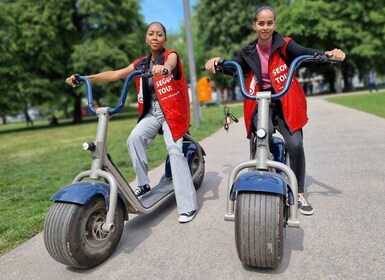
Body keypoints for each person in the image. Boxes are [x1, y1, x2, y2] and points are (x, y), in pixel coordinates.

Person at [205, 6, 346, 215]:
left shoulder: (285, 45)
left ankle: (298, 192)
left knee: (295, 144)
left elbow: (306, 54)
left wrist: (328, 55)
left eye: (269, 23)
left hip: (284, 101)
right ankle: (263, 172)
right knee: (265, 133)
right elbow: (234, 65)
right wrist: (216, 63)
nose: (265, 27)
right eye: (261, 23)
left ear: (275, 24)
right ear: (254, 25)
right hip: (259, 102)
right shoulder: (248, 52)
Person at [66, 22, 198, 223]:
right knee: (134, 138)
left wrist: (164, 69)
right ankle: (143, 184)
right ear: (146, 38)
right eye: (151, 34)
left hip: (172, 113)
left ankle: (188, 206)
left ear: (164, 39)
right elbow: (116, 74)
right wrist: (85, 78)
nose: (155, 37)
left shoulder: (171, 55)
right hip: (152, 113)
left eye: (159, 34)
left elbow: (171, 65)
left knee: (174, 150)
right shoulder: (141, 64)